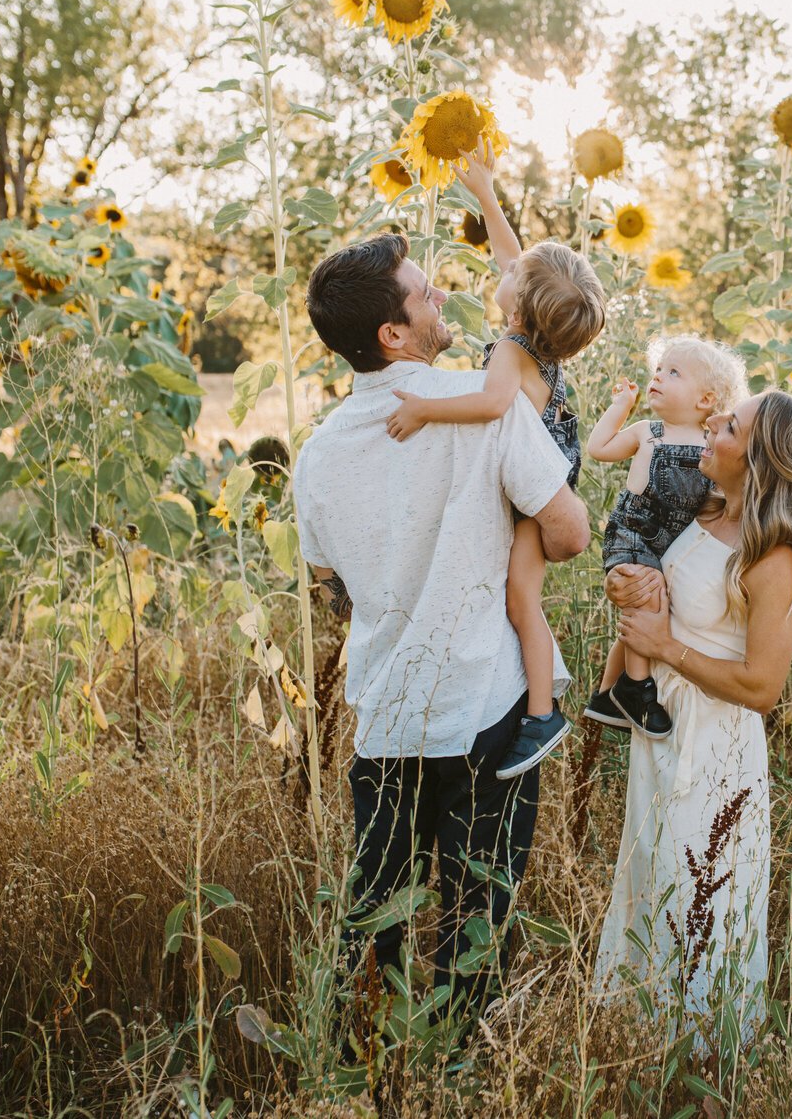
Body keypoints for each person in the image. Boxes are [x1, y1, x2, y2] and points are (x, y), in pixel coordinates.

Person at [292, 232, 590, 1029]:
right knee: (474, 930)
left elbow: (332, 592)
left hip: (387, 723)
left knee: (375, 927)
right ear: (394, 333)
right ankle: (456, 1070)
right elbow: (568, 533)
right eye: (423, 295)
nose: (439, 301)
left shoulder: (317, 458)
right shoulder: (485, 406)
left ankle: (375, 1068)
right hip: (487, 711)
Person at [591, 390, 792, 1045]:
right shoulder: (699, 511)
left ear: (757, 460)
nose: (710, 424)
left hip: (716, 756)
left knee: (701, 907)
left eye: (729, 425)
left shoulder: (773, 556)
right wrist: (630, 587)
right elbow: (649, 577)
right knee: (653, 891)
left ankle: (707, 1078)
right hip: (664, 736)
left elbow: (763, 686)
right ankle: (642, 1064)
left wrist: (665, 647)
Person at [385, 137, 605, 780]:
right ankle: (538, 704)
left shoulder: (511, 351)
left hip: (544, 478)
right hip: (552, 456)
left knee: (520, 596)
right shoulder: (538, 332)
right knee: (516, 591)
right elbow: (514, 258)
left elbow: (489, 405)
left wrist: (426, 410)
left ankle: (541, 713)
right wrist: (484, 191)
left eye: (509, 276)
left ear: (519, 303)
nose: (500, 269)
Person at [582, 336, 746, 737]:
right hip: (635, 534)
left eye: (673, 372)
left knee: (657, 605)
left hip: (673, 544)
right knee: (644, 595)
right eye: (659, 369)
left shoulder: (712, 446)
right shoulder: (647, 431)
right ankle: (636, 687)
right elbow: (598, 448)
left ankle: (606, 694)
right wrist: (620, 408)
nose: (658, 376)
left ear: (706, 399)